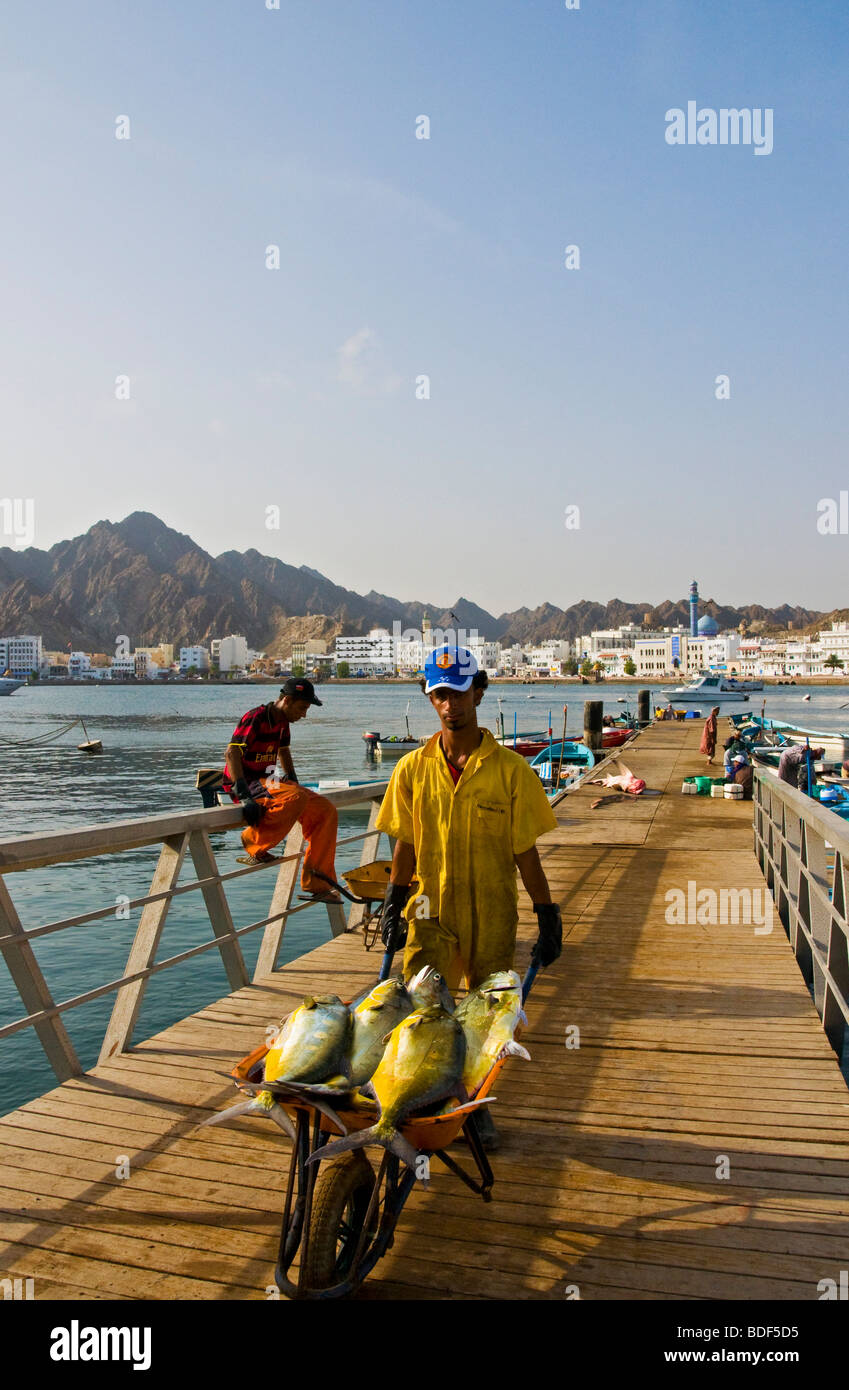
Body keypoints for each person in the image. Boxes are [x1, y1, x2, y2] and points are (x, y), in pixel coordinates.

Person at [375, 646, 562, 1151]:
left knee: (486, 1019)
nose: (449, 706)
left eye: (458, 694)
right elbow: (405, 843)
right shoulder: (412, 770)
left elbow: (525, 852)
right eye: (438, 695)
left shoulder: (511, 772)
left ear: (478, 692)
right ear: (429, 697)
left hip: (492, 910)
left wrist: (548, 916)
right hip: (429, 911)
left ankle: (474, 1110)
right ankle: (419, 1102)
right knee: (421, 1012)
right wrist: (393, 901)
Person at [223, 677, 341, 901]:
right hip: (247, 782)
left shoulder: (283, 723)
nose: (304, 714)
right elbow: (231, 753)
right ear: (286, 700)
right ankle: (253, 842)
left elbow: (284, 751)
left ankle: (317, 882)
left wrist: (293, 780)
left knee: (325, 810)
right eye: (302, 707)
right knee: (295, 797)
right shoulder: (256, 717)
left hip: (269, 781)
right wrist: (243, 795)